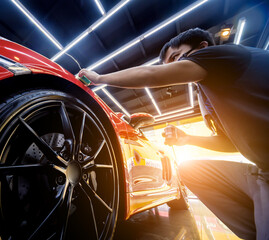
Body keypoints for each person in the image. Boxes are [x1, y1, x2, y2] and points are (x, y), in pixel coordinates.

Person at [78, 28, 269, 240]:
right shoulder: (210, 94)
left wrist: (99, 77)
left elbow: (151, 74)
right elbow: (231, 144)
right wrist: (187, 139)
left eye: (176, 57)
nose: (173, 68)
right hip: (263, 169)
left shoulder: (222, 54)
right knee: (190, 170)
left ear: (201, 47)